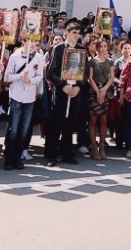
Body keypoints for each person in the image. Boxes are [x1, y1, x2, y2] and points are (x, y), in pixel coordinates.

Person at [45, 21, 87, 167]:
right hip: (62, 91)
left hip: (75, 92)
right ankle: (52, 155)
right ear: (67, 33)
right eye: (73, 32)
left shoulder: (82, 50)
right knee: (56, 123)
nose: (76, 35)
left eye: (78, 33)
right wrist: (62, 85)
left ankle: (67, 153)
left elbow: (85, 73)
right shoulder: (58, 49)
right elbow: (51, 71)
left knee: (70, 123)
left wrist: (79, 87)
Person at [3, 34, 43, 170]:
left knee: (24, 130)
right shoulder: (15, 57)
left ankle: (18, 158)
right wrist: (19, 76)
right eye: (30, 41)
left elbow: (40, 76)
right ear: (24, 41)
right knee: (13, 130)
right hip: (16, 96)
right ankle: (8, 159)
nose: (32, 44)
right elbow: (7, 77)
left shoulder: (38, 57)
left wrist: (31, 80)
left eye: (34, 41)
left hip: (30, 97)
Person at [87, 39, 114, 159]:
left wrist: (104, 90)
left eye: (105, 46)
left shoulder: (110, 61)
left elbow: (112, 78)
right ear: (97, 48)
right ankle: (93, 146)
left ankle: (102, 146)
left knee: (103, 120)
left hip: (106, 90)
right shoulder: (92, 61)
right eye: (101, 46)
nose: (103, 48)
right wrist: (98, 91)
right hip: (94, 91)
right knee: (93, 120)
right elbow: (90, 78)